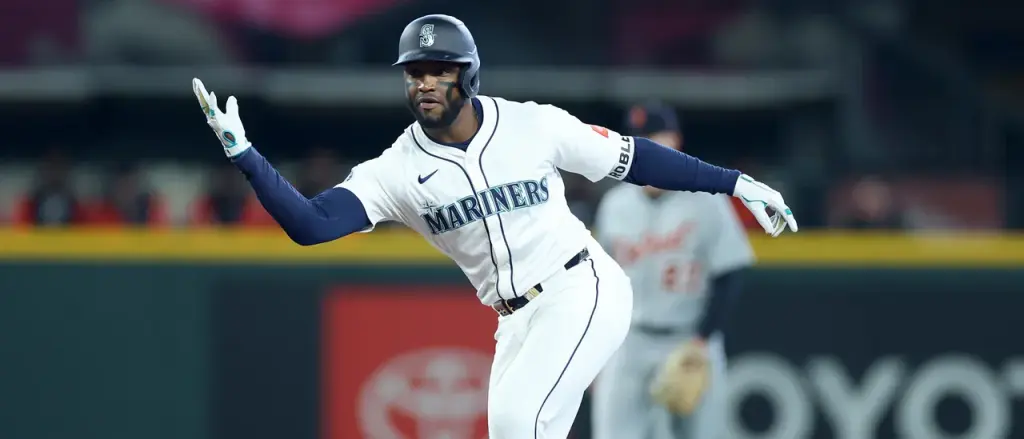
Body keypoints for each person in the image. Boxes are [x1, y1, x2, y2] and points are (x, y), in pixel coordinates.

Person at [191, 14, 796, 439]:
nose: (424, 82)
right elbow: (312, 225)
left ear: (468, 75)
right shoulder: (397, 169)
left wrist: (736, 183)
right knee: (517, 430)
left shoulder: (533, 125)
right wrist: (246, 154)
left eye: (439, 69)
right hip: (514, 320)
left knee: (520, 423)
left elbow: (637, 157)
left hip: (580, 287)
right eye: (414, 71)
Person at [591, 102, 755, 439]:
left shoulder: (708, 200)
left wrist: (703, 339)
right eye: (639, 141)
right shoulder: (615, 205)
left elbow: (731, 274)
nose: (647, 149)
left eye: (655, 138)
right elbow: (599, 283)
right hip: (628, 343)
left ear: (676, 141)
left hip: (690, 340)